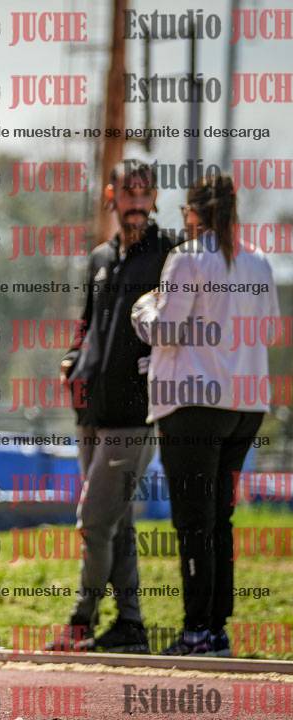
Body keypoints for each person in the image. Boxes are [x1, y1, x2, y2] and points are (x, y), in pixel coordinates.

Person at [131, 172, 279, 656]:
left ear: (192, 212)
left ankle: (196, 630)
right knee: (220, 519)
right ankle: (216, 628)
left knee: (194, 521)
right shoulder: (258, 261)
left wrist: (143, 310)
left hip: (192, 404)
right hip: (246, 405)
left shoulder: (187, 257)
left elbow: (165, 331)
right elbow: (270, 330)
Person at [49, 161, 179, 653]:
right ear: (113, 196)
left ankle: (81, 621)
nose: (137, 204)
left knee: (94, 521)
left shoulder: (170, 254)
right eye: (129, 194)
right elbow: (87, 324)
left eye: (145, 195)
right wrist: (71, 359)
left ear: (156, 197)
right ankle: (130, 625)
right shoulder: (101, 257)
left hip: (136, 412)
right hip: (90, 409)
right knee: (117, 520)